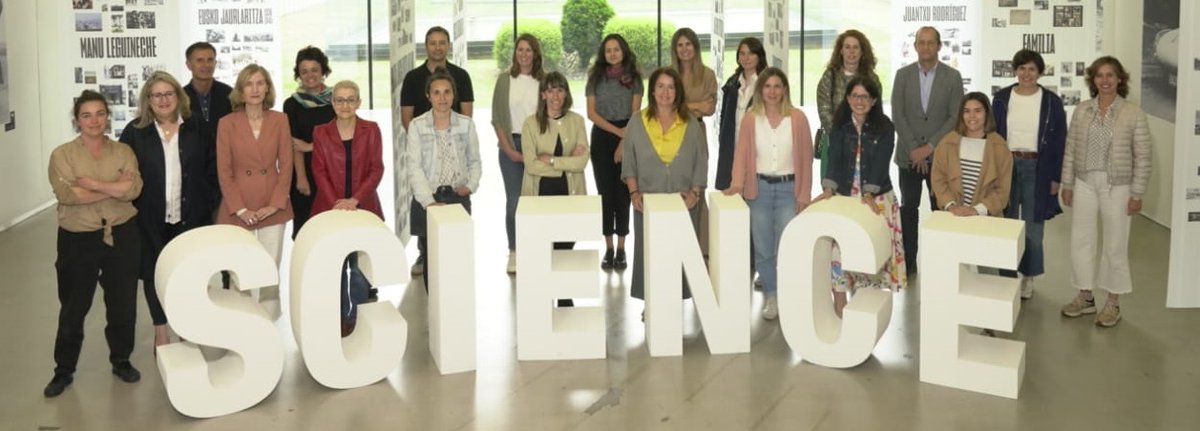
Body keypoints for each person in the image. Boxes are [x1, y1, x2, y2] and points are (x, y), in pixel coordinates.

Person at [44, 90, 144, 398]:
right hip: (78, 239)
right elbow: (68, 196)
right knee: (73, 308)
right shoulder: (62, 155)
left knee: (123, 306)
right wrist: (115, 188)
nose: (94, 121)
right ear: (77, 120)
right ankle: (63, 371)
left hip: (122, 235)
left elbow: (134, 189)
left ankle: (121, 360)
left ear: (107, 116)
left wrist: (93, 185)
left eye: (100, 113)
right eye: (86, 115)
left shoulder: (123, 151)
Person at [119, 71, 217, 348]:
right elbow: (124, 174)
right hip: (149, 217)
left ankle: (185, 326)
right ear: (147, 100)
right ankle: (160, 329)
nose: (163, 100)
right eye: (156, 95)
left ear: (178, 96)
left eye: (168, 93)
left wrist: (208, 201)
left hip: (192, 217)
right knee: (153, 273)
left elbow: (213, 168)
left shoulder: (197, 126)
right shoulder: (135, 131)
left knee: (186, 273)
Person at [1059, 56, 1151, 328]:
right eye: (1099, 75)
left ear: (1119, 79)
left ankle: (1112, 303)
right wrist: (1068, 183)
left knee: (1115, 244)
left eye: (1110, 75)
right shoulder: (1082, 110)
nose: (1105, 80)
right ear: (1092, 80)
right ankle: (1085, 296)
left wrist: (1137, 192)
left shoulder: (1133, 113)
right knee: (1081, 240)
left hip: (1119, 185)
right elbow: (1071, 149)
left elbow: (1143, 156)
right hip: (1085, 181)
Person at [723, 67, 814, 320]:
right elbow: (741, 155)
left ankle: (789, 294)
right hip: (759, 191)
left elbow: (807, 159)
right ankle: (772, 296)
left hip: (789, 189)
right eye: (767, 86)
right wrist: (737, 184)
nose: (772, 92)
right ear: (760, 90)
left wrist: (804, 194)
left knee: (787, 247)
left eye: (777, 86)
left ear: (785, 89)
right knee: (764, 249)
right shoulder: (751, 118)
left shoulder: (797, 118)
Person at [815, 77, 906, 317]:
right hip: (846, 200)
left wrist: (868, 191)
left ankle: (865, 311)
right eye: (855, 96)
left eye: (865, 97)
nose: (859, 101)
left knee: (870, 257)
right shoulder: (839, 125)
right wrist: (828, 188)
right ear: (847, 99)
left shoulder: (885, 127)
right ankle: (840, 305)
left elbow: (880, 162)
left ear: (874, 100)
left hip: (875, 200)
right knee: (838, 254)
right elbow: (833, 159)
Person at [622, 68, 708, 318]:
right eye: (660, 86)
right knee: (650, 252)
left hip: (683, 202)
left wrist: (695, 192)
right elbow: (630, 162)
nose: (665, 92)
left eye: (671, 87)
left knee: (678, 253)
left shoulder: (690, 123)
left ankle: (673, 301)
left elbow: (700, 161)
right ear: (652, 90)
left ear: (677, 92)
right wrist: (634, 192)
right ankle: (652, 301)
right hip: (647, 202)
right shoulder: (637, 121)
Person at [215, 64, 294, 320]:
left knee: (270, 271)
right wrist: (241, 209)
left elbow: (287, 165)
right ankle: (243, 326)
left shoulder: (280, 120)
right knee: (242, 272)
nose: (255, 89)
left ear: (268, 88)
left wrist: (275, 204)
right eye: (249, 84)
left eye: (260, 83)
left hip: (273, 204)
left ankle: (269, 327)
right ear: (240, 90)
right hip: (239, 207)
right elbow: (224, 171)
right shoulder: (226, 123)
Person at [310, 80, 384, 337]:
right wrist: (337, 203)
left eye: (351, 99)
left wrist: (355, 200)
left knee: (361, 268)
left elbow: (377, 169)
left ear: (359, 103)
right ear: (332, 103)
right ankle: (339, 317)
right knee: (336, 267)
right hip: (330, 211)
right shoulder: (320, 132)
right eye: (340, 99)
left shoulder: (371, 130)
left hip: (364, 209)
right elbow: (318, 171)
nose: (345, 105)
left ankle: (358, 317)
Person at [991, 49, 1067, 299]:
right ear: (1015, 70)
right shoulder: (1002, 98)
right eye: (1022, 68)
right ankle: (1007, 276)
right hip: (1007, 166)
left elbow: (1059, 142)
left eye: (1032, 69)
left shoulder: (1051, 102)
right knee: (1006, 223)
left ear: (1039, 72)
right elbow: (992, 136)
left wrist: (1056, 177)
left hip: (1038, 168)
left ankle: (1030, 276)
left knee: (1034, 227)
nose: (1026, 74)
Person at [400, 26, 475, 276]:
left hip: (455, 168)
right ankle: (423, 254)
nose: (438, 47)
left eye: (442, 42)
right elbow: (407, 118)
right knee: (431, 250)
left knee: (456, 256)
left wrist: (452, 134)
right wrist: (424, 138)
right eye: (432, 43)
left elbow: (467, 119)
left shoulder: (461, 76)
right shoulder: (412, 78)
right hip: (426, 162)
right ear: (426, 46)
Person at [891, 26, 964, 276]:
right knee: (908, 210)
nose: (925, 47)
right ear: (915, 47)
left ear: (939, 46)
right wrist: (914, 149)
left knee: (941, 211)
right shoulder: (902, 75)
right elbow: (898, 114)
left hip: (940, 157)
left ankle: (941, 263)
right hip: (908, 157)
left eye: (930, 43)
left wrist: (929, 147)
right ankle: (909, 263)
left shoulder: (952, 77)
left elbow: (955, 117)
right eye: (921, 43)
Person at [406, 71, 482, 291]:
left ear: (454, 95)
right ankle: (435, 312)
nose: (442, 98)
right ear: (428, 96)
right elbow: (414, 167)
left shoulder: (466, 124)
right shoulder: (417, 126)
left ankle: (456, 311)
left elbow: (475, 161)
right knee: (432, 259)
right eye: (436, 93)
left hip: (458, 197)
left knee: (458, 258)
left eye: (447, 92)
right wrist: (428, 202)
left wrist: (470, 186)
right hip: (428, 200)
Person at [520, 72, 589, 307]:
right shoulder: (530, 123)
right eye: (550, 90)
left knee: (565, 250)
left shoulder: (577, 122)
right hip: (540, 196)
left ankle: (564, 296)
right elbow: (530, 165)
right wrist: (565, 162)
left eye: (560, 89)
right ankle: (543, 299)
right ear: (542, 95)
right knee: (543, 251)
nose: (555, 95)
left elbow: (581, 162)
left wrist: (550, 160)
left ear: (566, 93)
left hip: (570, 195)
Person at [586, 34, 642, 271]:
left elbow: (636, 113)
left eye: (616, 49)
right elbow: (591, 113)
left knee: (623, 195)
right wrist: (618, 134)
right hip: (602, 136)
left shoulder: (635, 78)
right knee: (605, 195)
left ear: (623, 51)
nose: (612, 54)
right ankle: (608, 248)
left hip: (628, 136)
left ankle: (621, 248)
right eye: (608, 50)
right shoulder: (595, 78)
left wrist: (623, 140)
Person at [492, 33, 545, 274]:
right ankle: (514, 251)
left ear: (536, 54)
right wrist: (508, 149)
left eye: (528, 50)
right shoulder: (505, 80)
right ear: (515, 53)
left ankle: (537, 249)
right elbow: (498, 118)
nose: (524, 54)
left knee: (538, 201)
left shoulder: (544, 81)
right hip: (510, 144)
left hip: (538, 146)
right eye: (520, 49)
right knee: (514, 201)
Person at [670, 28, 718, 256]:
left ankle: (703, 248)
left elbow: (709, 109)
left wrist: (681, 105)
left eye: (688, 44)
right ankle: (677, 244)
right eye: (680, 45)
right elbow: (665, 104)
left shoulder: (707, 74)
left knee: (697, 187)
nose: (684, 49)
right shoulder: (668, 74)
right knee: (675, 186)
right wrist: (694, 106)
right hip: (671, 133)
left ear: (695, 47)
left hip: (697, 132)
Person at [930, 92, 1013, 219]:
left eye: (978, 111)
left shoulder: (1000, 148)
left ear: (987, 113)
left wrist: (976, 210)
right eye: (967, 111)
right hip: (952, 216)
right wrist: (951, 206)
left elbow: (1002, 190)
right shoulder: (946, 143)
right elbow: (938, 179)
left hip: (987, 220)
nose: (972, 116)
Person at [283, 46, 336, 239]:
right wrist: (301, 178)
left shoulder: (337, 100)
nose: (310, 75)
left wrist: (311, 146)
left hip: (334, 171)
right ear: (298, 74)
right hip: (305, 172)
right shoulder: (292, 104)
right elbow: (294, 144)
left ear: (323, 71)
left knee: (334, 228)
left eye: (314, 69)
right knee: (306, 229)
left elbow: (344, 138)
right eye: (304, 71)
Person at [816, 30, 881, 176]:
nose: (851, 52)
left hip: (865, 142)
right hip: (834, 142)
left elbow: (876, 111)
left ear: (862, 51)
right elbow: (824, 109)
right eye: (847, 47)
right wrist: (842, 137)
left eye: (855, 47)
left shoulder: (872, 79)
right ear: (841, 51)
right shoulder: (830, 77)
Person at [716, 37, 767, 191]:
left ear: (759, 56)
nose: (746, 58)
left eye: (751, 53)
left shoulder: (767, 83)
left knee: (753, 192)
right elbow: (723, 117)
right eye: (742, 54)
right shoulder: (732, 83)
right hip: (732, 147)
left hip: (758, 147)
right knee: (732, 194)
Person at [183, 42, 233, 158]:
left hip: (225, 162)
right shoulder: (179, 97)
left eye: (210, 60)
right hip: (192, 166)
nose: (206, 65)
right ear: (189, 65)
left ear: (215, 63)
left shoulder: (230, 94)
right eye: (199, 60)